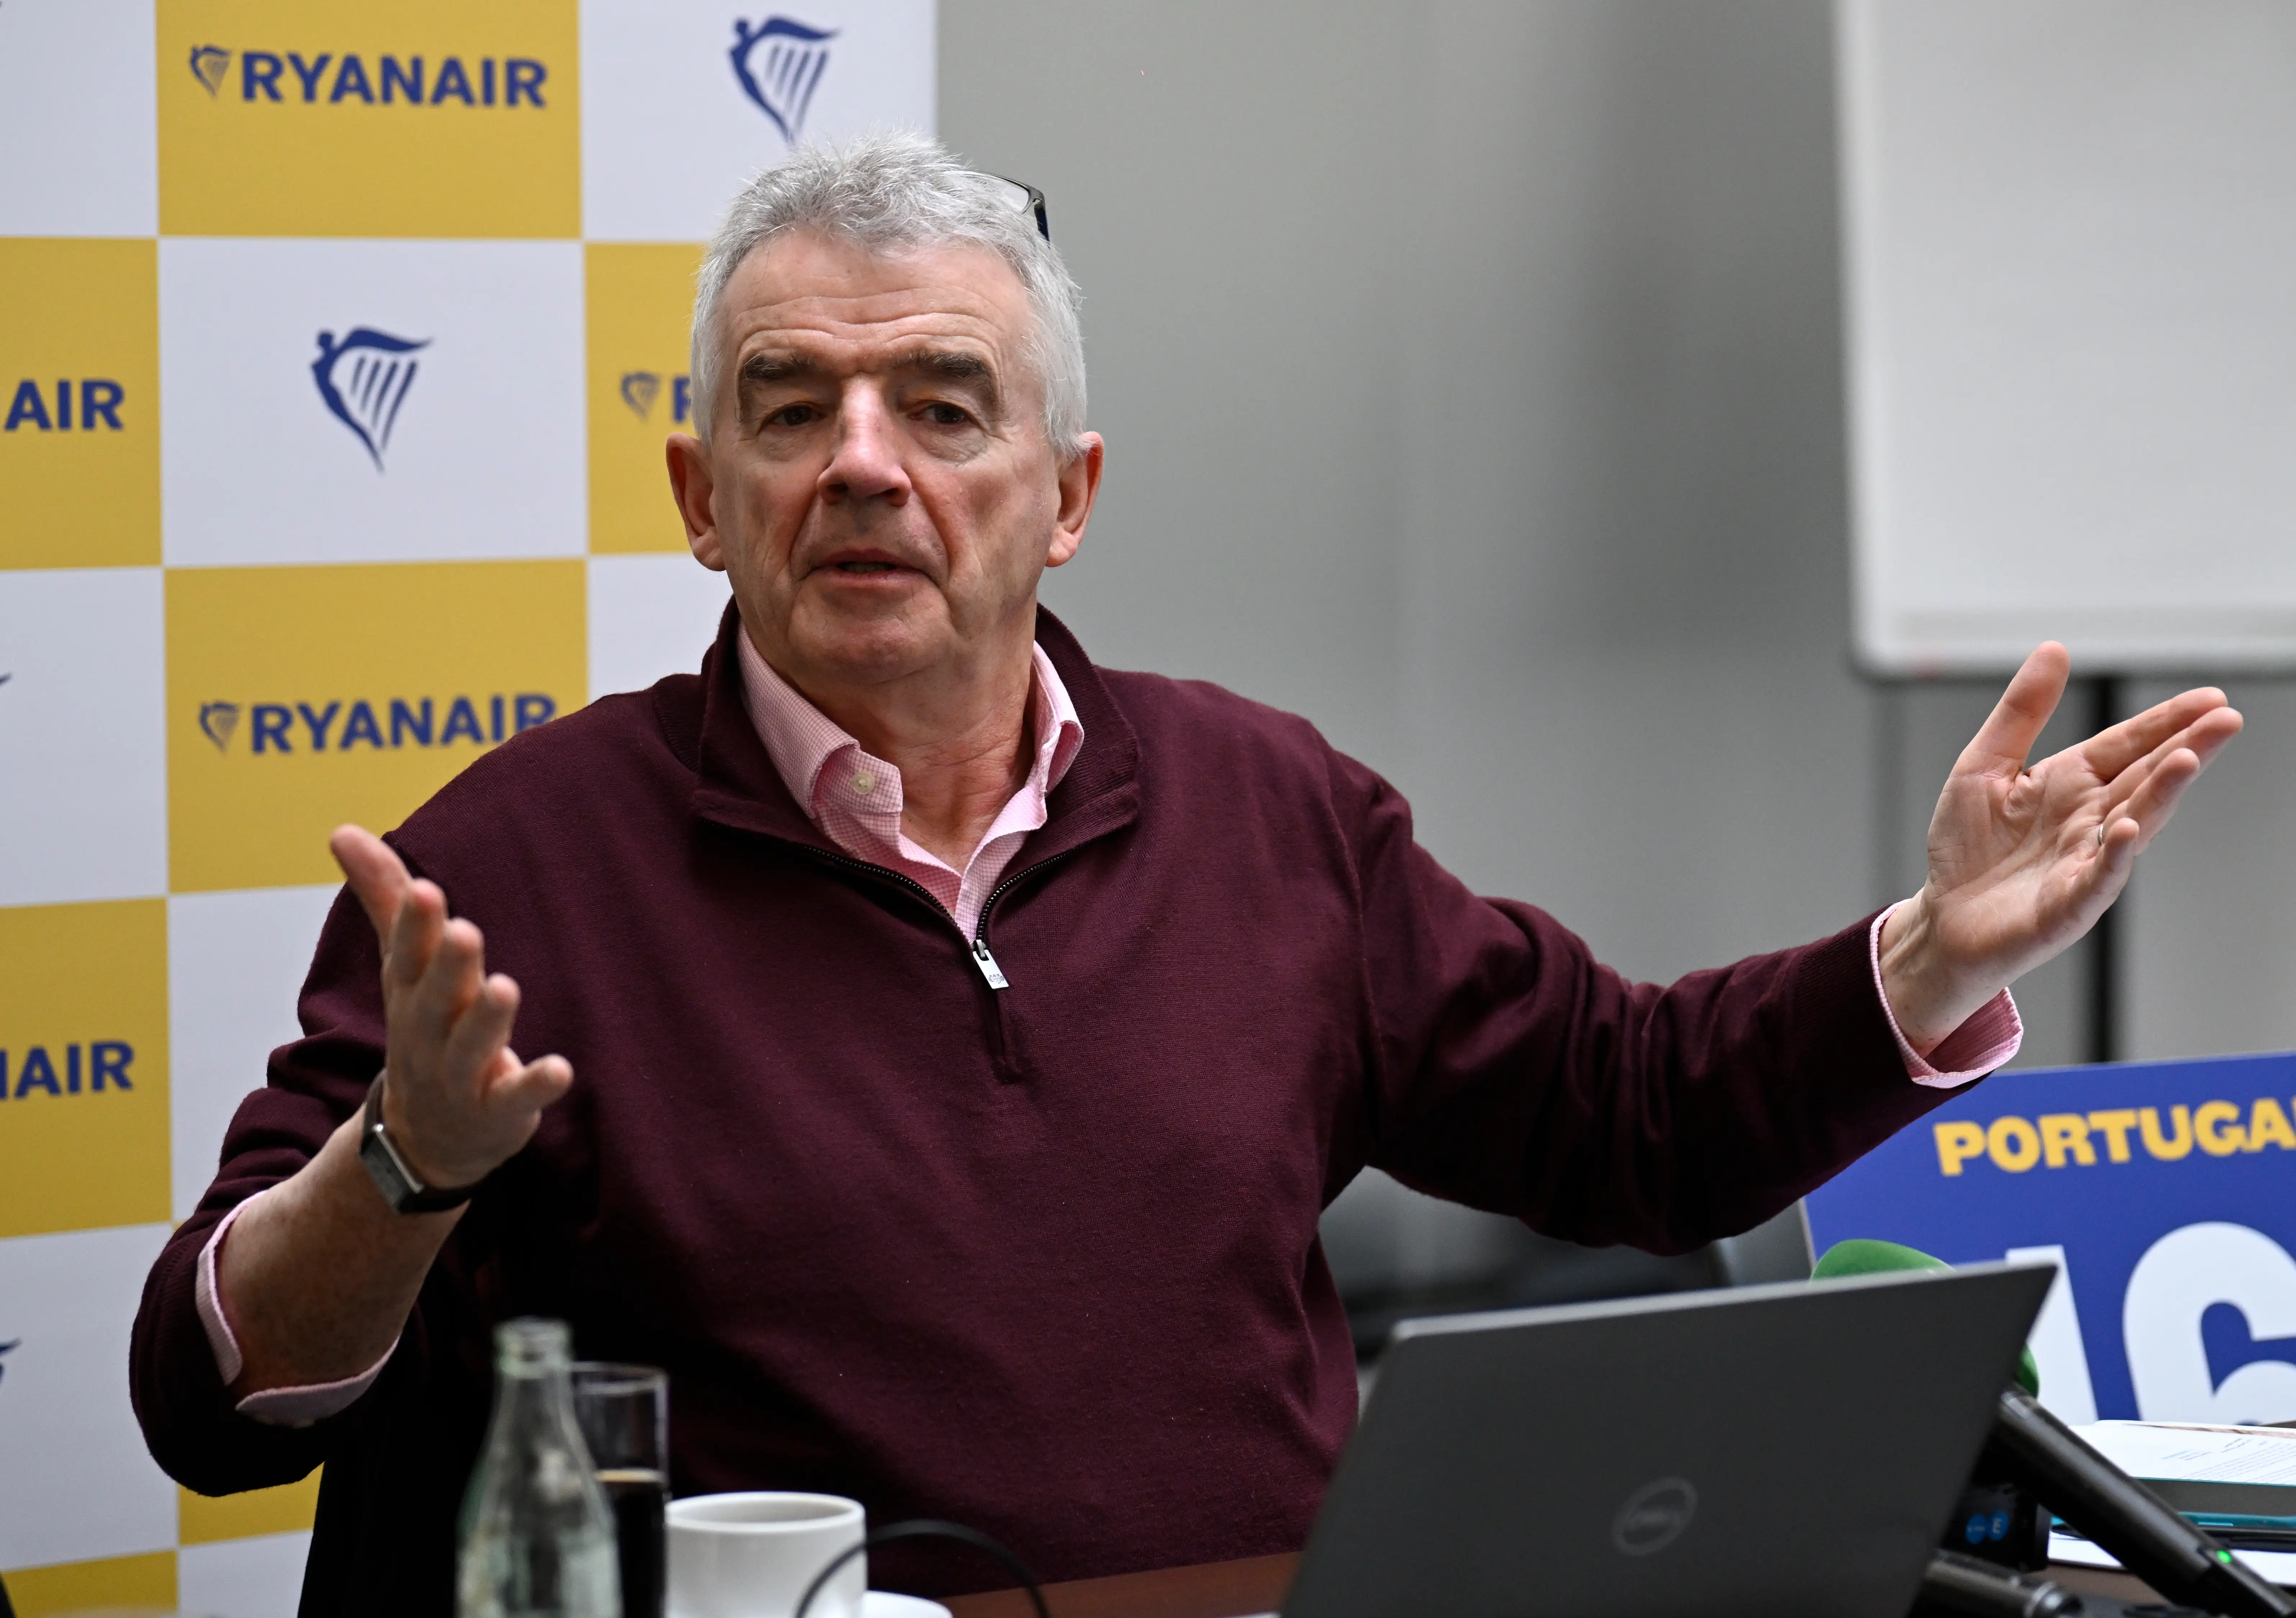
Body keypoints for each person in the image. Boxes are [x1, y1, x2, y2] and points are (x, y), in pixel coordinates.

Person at [131, 134, 2241, 1610]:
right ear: (703, 497)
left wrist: (1920, 958)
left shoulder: (1265, 809)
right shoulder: (507, 876)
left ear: (1065, 498)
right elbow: (211, 1405)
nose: (863, 458)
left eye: (942, 405)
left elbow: (1636, 1122)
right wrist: (403, 1167)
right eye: (792, 409)